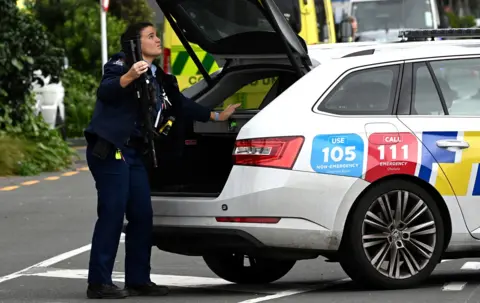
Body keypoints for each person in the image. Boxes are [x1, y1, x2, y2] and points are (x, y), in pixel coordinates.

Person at [83, 22, 240, 299]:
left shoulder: (160, 77)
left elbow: (181, 104)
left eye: (157, 35)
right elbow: (106, 91)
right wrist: (130, 75)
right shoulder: (120, 64)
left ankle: (138, 279)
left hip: (136, 152)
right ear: (135, 42)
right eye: (151, 36)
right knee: (112, 212)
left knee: (143, 216)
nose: (158, 40)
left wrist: (217, 116)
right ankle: (98, 282)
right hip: (111, 150)